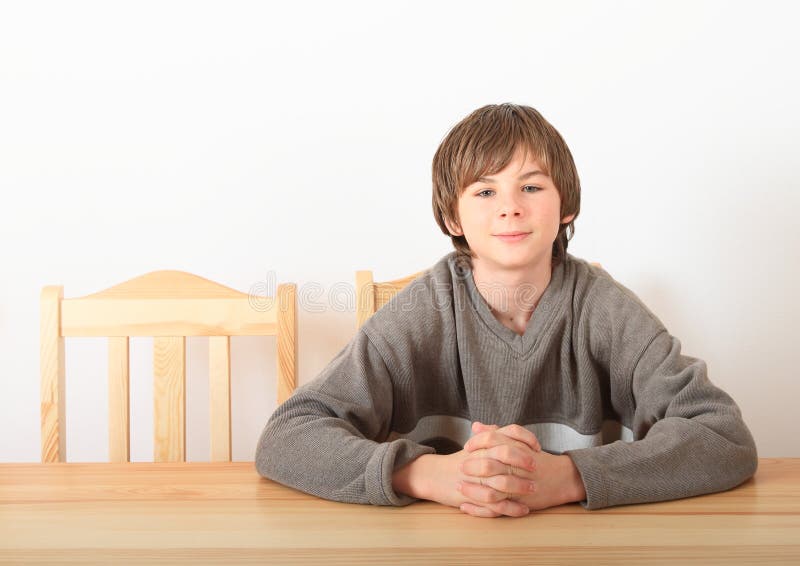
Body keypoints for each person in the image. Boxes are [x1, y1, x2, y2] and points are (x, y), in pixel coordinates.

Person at [255, 103, 758, 518]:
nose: (510, 207)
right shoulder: (422, 313)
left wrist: (567, 477)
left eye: (532, 187)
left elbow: (723, 436)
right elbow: (287, 435)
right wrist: (431, 474)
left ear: (567, 207)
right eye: (486, 190)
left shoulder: (605, 310)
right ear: (452, 215)